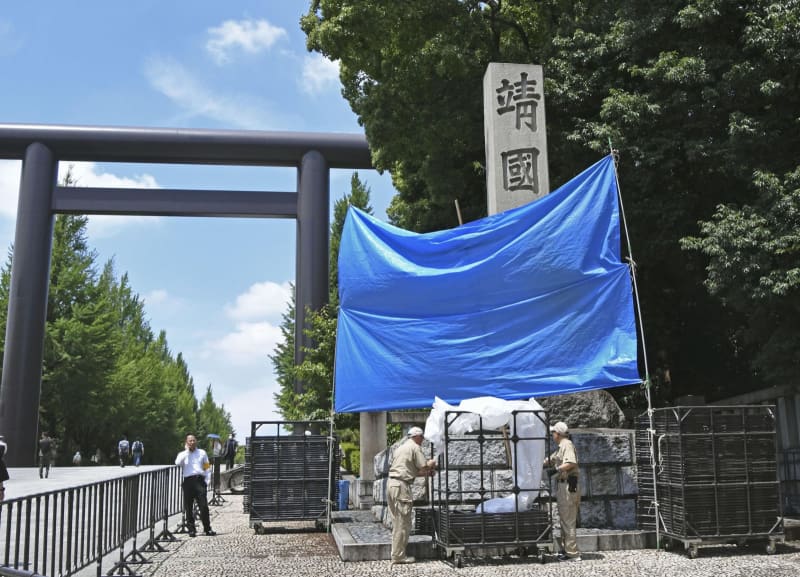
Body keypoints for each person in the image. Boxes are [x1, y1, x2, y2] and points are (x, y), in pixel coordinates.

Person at [386, 426, 437, 565]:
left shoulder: (401, 448)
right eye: (421, 437)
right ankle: (398, 556)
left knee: (397, 521)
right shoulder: (415, 447)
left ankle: (396, 553)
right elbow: (424, 466)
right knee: (403, 523)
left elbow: (409, 470)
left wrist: (426, 472)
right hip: (401, 486)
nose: (422, 440)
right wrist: (432, 463)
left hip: (391, 484)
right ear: (417, 436)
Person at [544, 421, 581, 561]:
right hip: (564, 486)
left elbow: (571, 462)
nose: (552, 434)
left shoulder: (567, 445)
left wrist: (557, 469)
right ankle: (567, 551)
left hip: (568, 487)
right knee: (565, 519)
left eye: (553, 432)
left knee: (568, 520)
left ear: (557, 434)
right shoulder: (561, 446)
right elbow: (552, 459)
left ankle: (573, 554)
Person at [174, 434, 216, 537]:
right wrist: (187, 452)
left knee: (204, 507)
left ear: (196, 441)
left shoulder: (202, 453)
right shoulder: (183, 454)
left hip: (199, 481)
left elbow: (207, 466)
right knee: (188, 507)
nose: (192, 442)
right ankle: (191, 530)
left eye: (193, 440)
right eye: (190, 441)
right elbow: (177, 463)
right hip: (188, 481)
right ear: (186, 442)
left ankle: (207, 528)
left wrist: (207, 480)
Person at [0, 435, 9, 501]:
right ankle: (1, 496)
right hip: (1, 464)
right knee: (1, 481)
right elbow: (4, 453)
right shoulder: (4, 444)